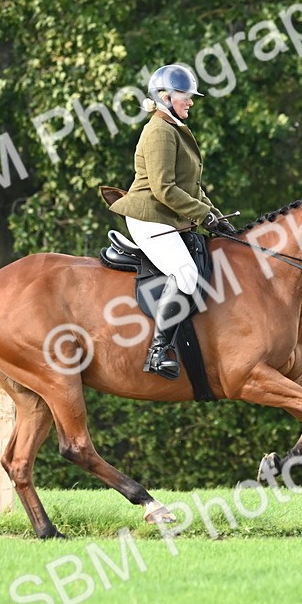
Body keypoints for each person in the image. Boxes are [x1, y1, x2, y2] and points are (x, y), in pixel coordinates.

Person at [108, 64, 236, 379]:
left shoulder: (174, 127)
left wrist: (215, 216)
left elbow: (192, 187)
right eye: (185, 96)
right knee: (187, 274)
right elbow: (164, 189)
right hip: (149, 217)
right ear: (165, 97)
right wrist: (203, 215)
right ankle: (158, 351)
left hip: (167, 217)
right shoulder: (159, 131)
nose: (191, 101)